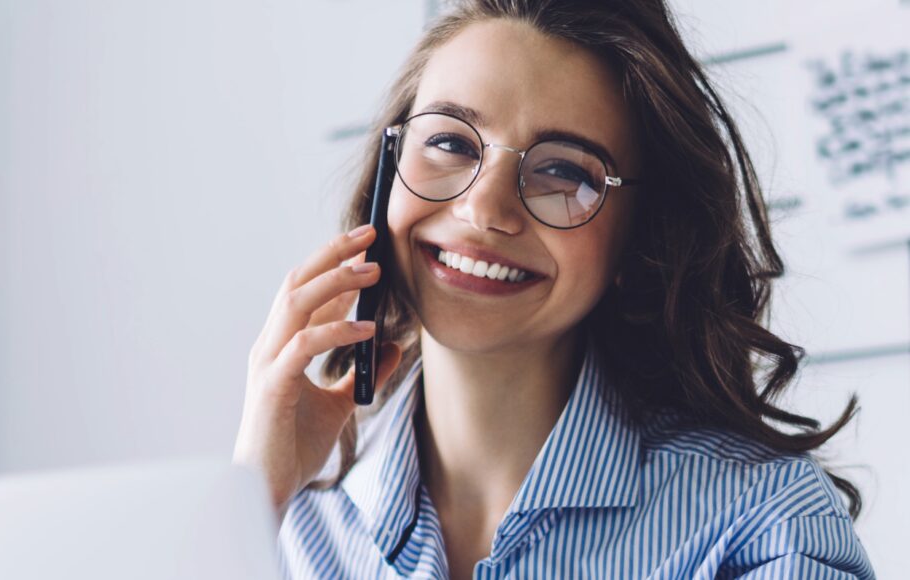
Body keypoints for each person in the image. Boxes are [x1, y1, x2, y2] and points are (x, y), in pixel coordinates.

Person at [231, 0, 877, 578]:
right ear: (390, 173)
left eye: (565, 173)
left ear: (637, 242)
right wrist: (248, 503)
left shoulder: (764, 526)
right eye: (451, 142)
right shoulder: (284, 534)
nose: (485, 209)